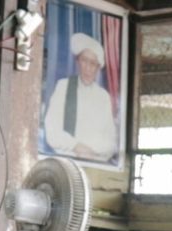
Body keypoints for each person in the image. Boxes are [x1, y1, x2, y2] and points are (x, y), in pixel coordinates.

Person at [43, 32, 118, 163]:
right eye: (84, 61)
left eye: (93, 63)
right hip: (65, 161)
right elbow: (51, 129)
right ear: (77, 61)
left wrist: (90, 151)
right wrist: (76, 146)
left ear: (98, 67)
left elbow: (110, 142)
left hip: (96, 161)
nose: (87, 68)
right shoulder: (64, 86)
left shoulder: (103, 96)